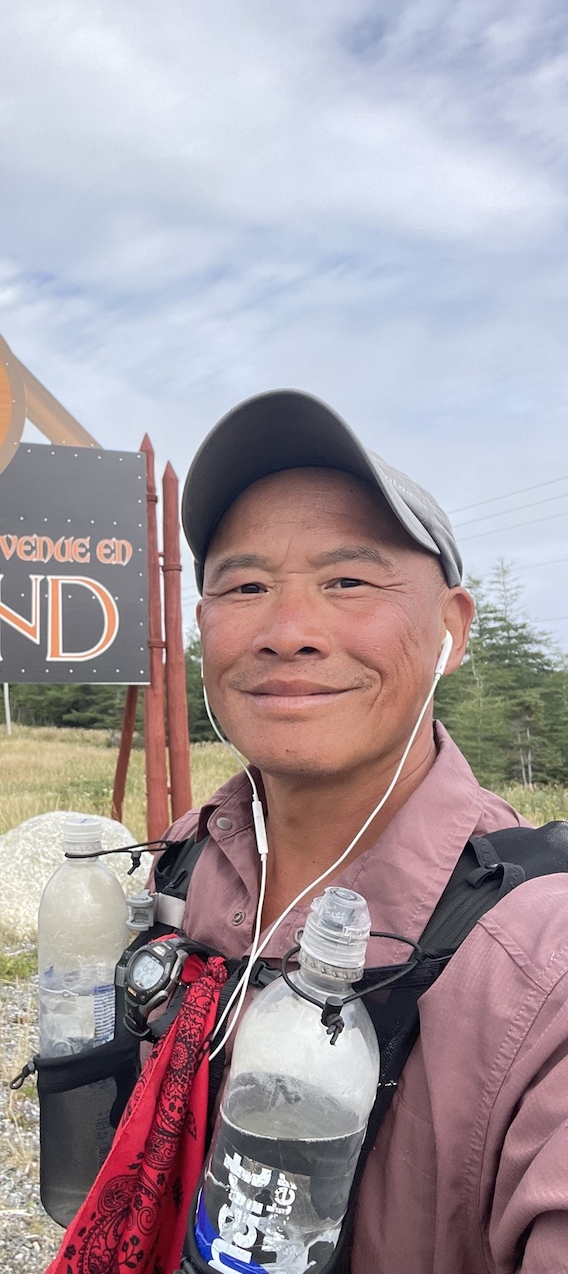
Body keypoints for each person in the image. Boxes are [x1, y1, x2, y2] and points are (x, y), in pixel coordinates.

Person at [164, 389, 568, 1273]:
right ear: (204, 628)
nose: (288, 632)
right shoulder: (186, 856)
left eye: (347, 581)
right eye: (246, 586)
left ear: (451, 629)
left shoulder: (544, 964)